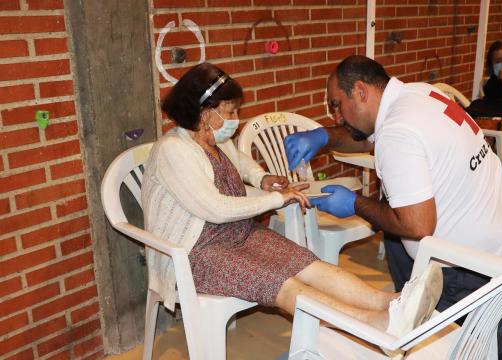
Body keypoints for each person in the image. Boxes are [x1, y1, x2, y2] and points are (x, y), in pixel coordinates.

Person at [284, 55, 502, 359]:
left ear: (360, 91)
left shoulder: (397, 132)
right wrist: (323, 137)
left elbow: (417, 226)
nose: (335, 116)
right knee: (396, 242)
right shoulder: (418, 94)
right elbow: (365, 140)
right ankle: (412, 310)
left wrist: (355, 203)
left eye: (335, 105)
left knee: (446, 350)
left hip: (473, 266)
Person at [140, 62, 444, 353]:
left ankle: (389, 304)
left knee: (307, 263)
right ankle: (375, 326)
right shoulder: (173, 151)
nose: (235, 118)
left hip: (237, 234)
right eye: (230, 111)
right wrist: (277, 198)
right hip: (196, 254)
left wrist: (262, 179)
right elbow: (215, 209)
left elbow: (241, 163)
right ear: (206, 114)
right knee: (281, 284)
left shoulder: (212, 139)